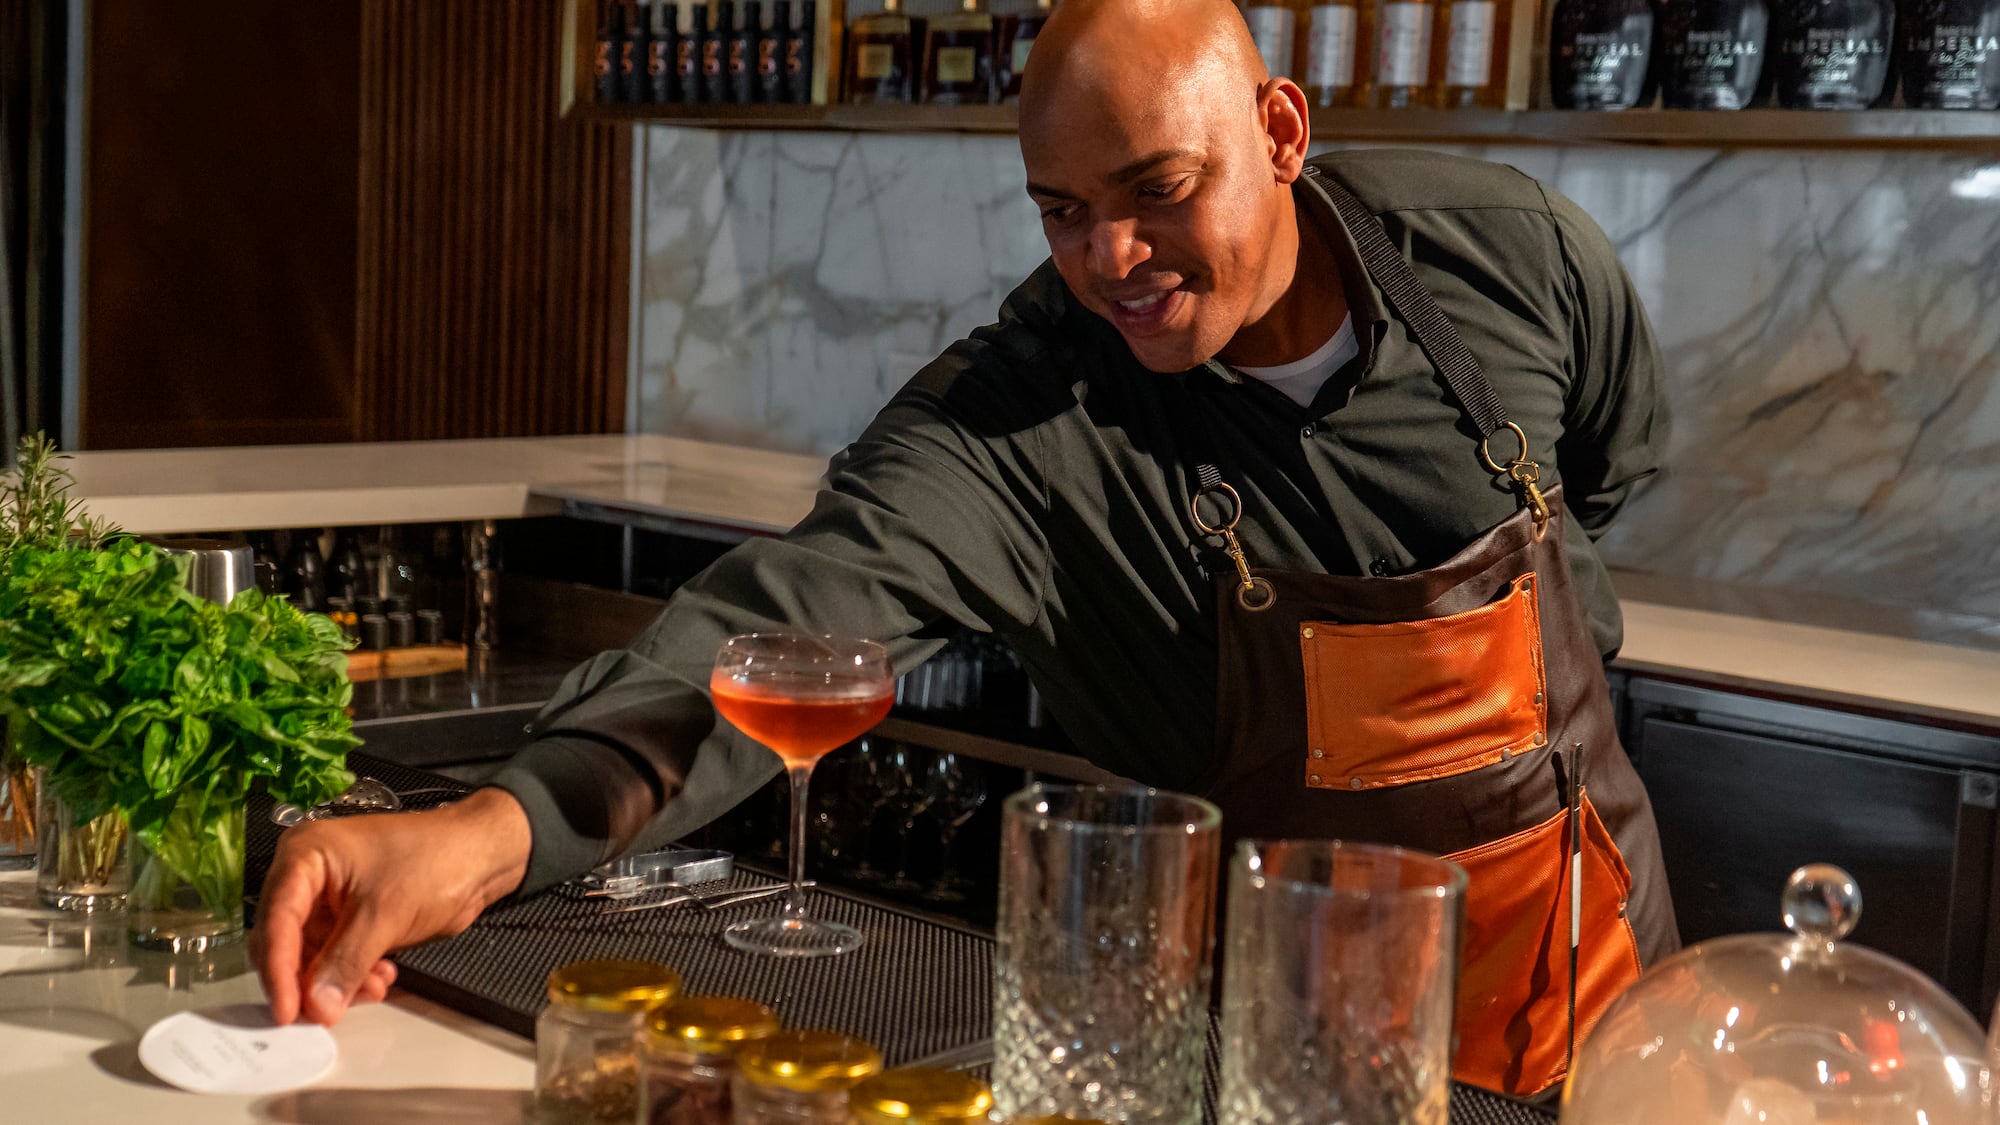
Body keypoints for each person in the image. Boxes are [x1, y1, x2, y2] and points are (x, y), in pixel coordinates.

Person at [254, 0, 1676, 1096]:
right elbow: (772, 628)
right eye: (1065, 212)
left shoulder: (1507, 253)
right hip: (1281, 1054)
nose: (1111, 258)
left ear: (1282, 132)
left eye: (1157, 189)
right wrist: (481, 832)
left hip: (1604, 997)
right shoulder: (1020, 423)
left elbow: (1617, 459)